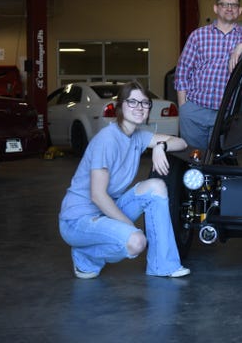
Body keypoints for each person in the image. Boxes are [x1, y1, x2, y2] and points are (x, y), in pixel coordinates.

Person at [59, 81, 190, 279]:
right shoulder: (107, 139)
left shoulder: (137, 136)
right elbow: (97, 195)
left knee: (156, 186)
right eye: (133, 102)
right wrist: (129, 225)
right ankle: (85, 255)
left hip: (105, 212)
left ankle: (162, 264)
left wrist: (160, 146)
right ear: (120, 107)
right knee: (136, 242)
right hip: (78, 220)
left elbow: (181, 142)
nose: (139, 108)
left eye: (145, 103)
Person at [175, 0, 242, 148]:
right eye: (224, 4)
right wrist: (184, 107)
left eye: (234, 5)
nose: (229, 8)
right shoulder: (198, 35)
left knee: (219, 161)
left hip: (226, 113)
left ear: (239, 10)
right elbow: (182, 71)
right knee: (192, 161)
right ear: (216, 8)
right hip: (195, 110)